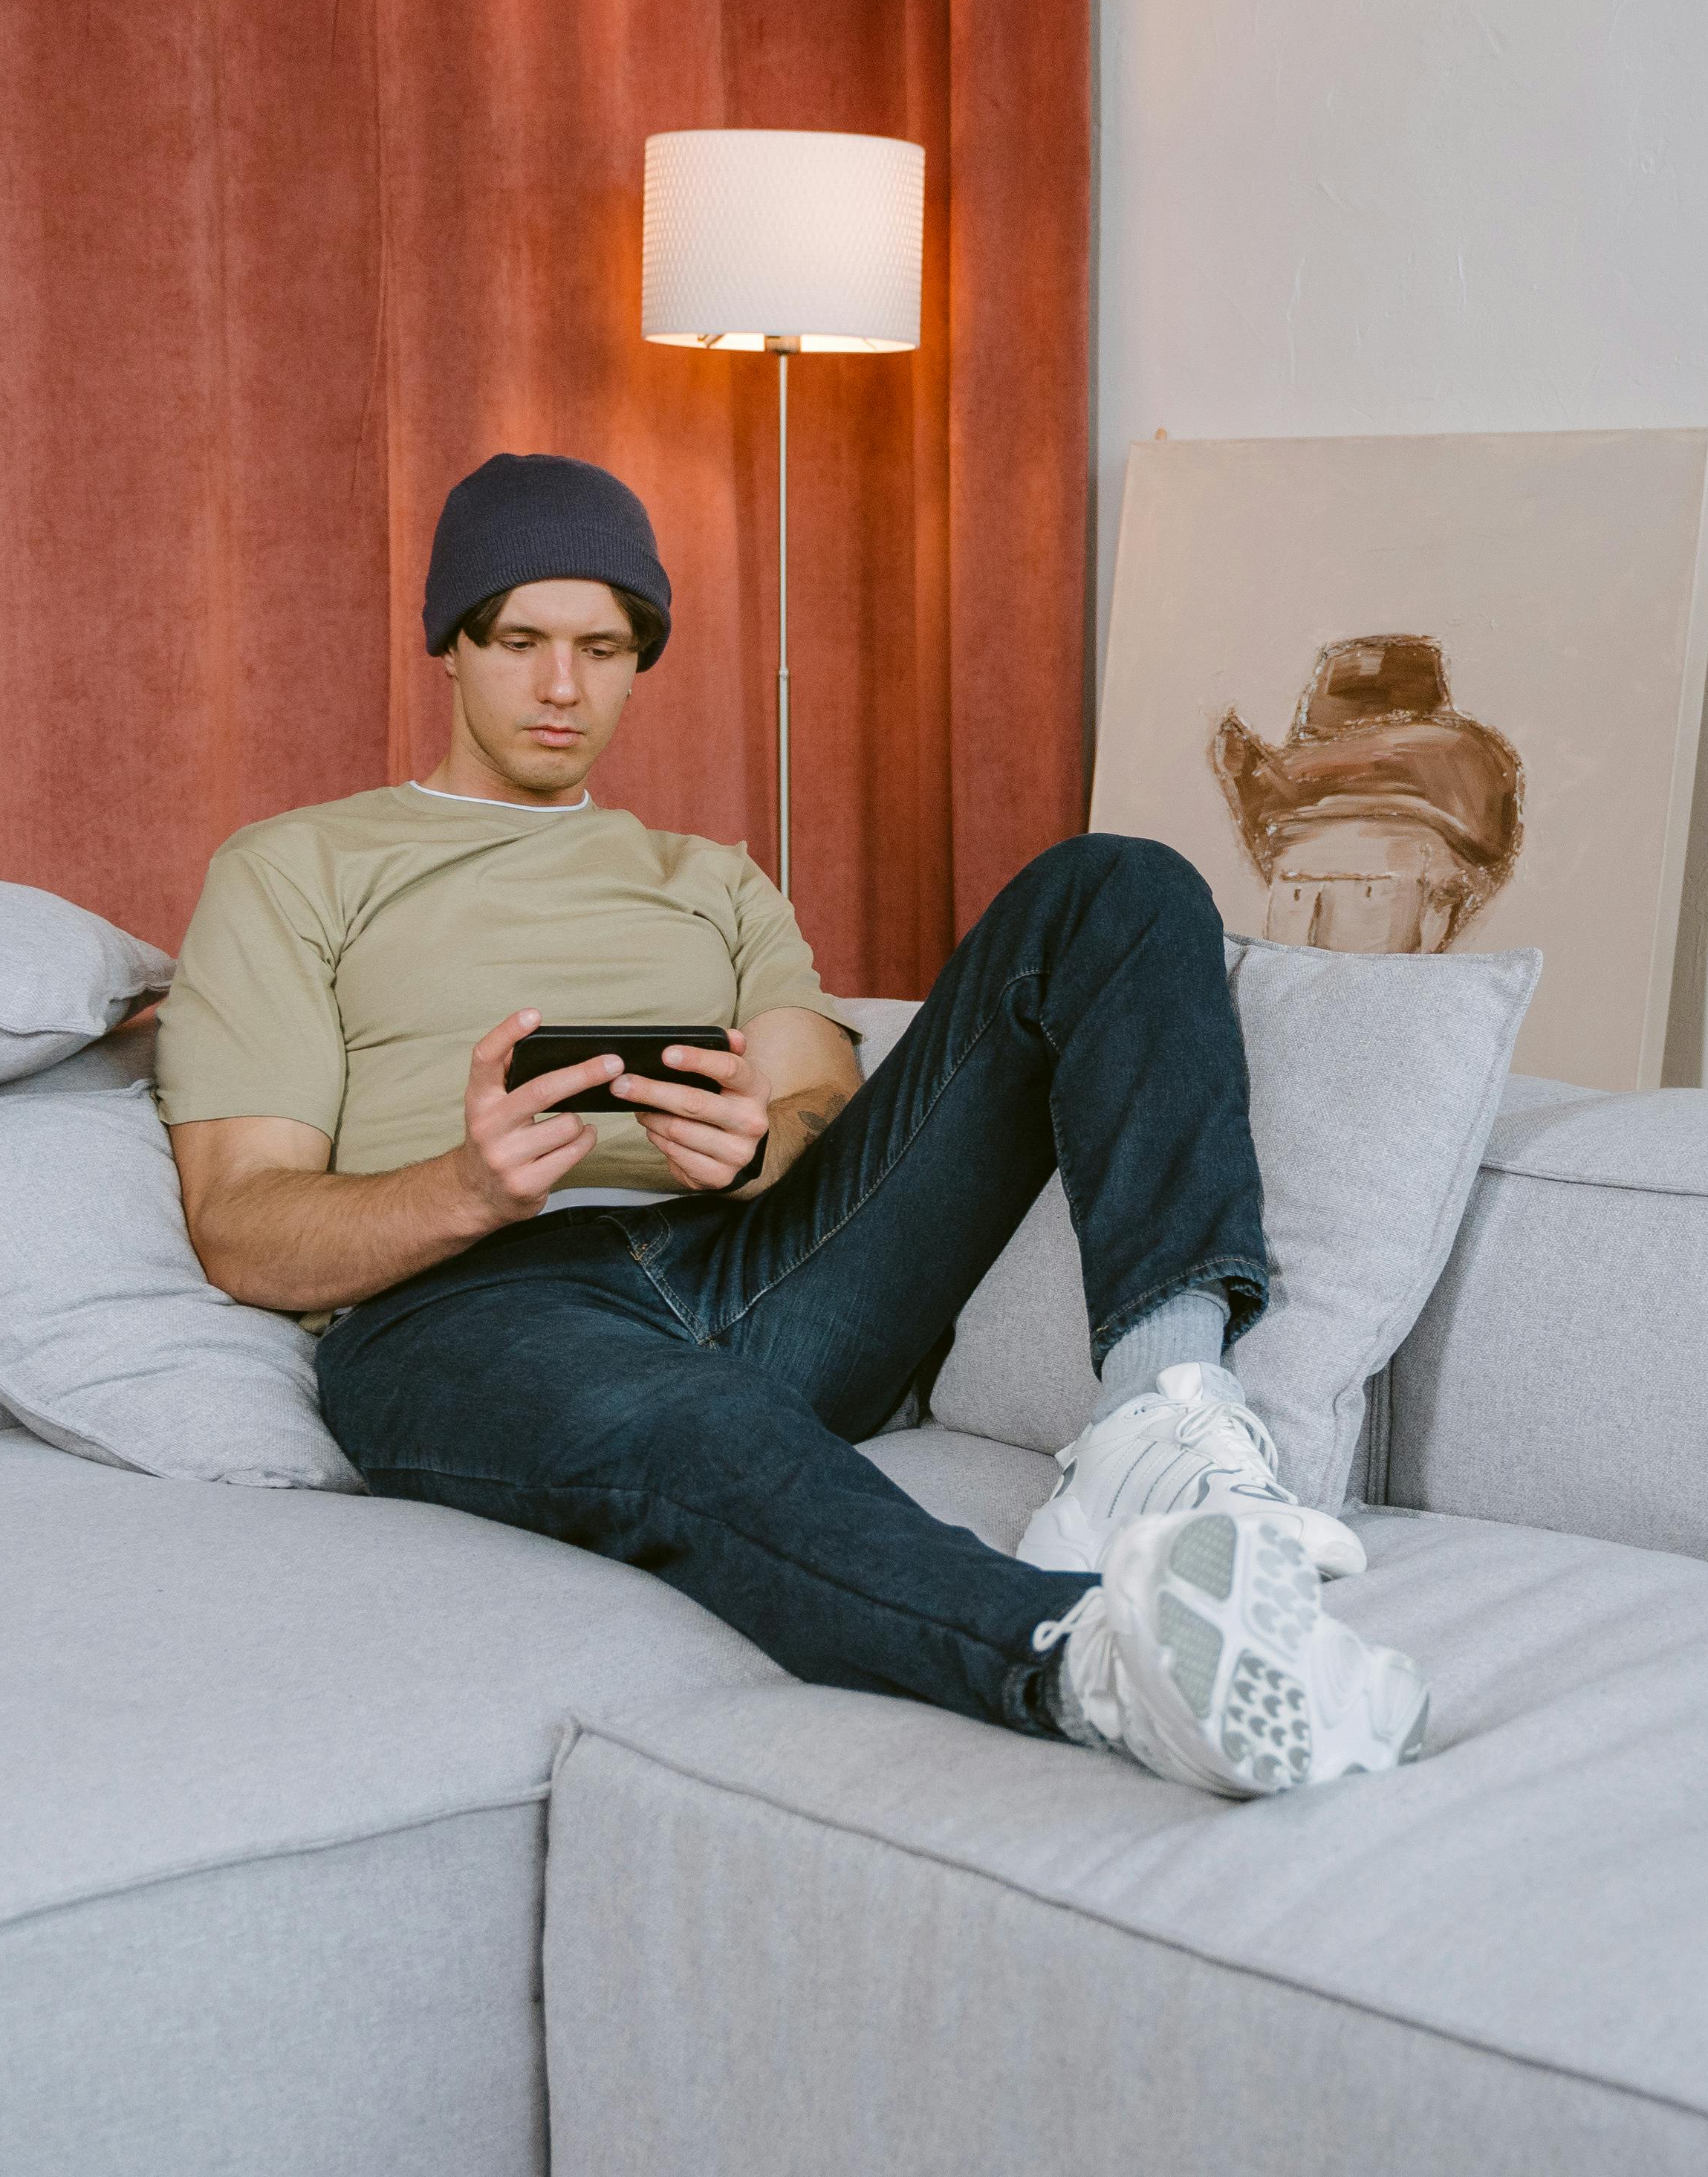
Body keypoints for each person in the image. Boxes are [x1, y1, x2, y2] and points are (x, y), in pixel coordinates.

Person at [153, 451, 1430, 1797]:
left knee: (1116, 883)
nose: (560, 686)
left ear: (641, 659)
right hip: (465, 1315)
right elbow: (242, 1225)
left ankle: (1161, 1418)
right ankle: (1091, 1660)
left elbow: (826, 1091)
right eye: (520, 639)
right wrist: (468, 1186)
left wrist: (761, 1139)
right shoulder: (297, 867)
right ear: (451, 648)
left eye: (601, 647)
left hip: (752, 1259)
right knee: (696, 1427)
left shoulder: (710, 879)